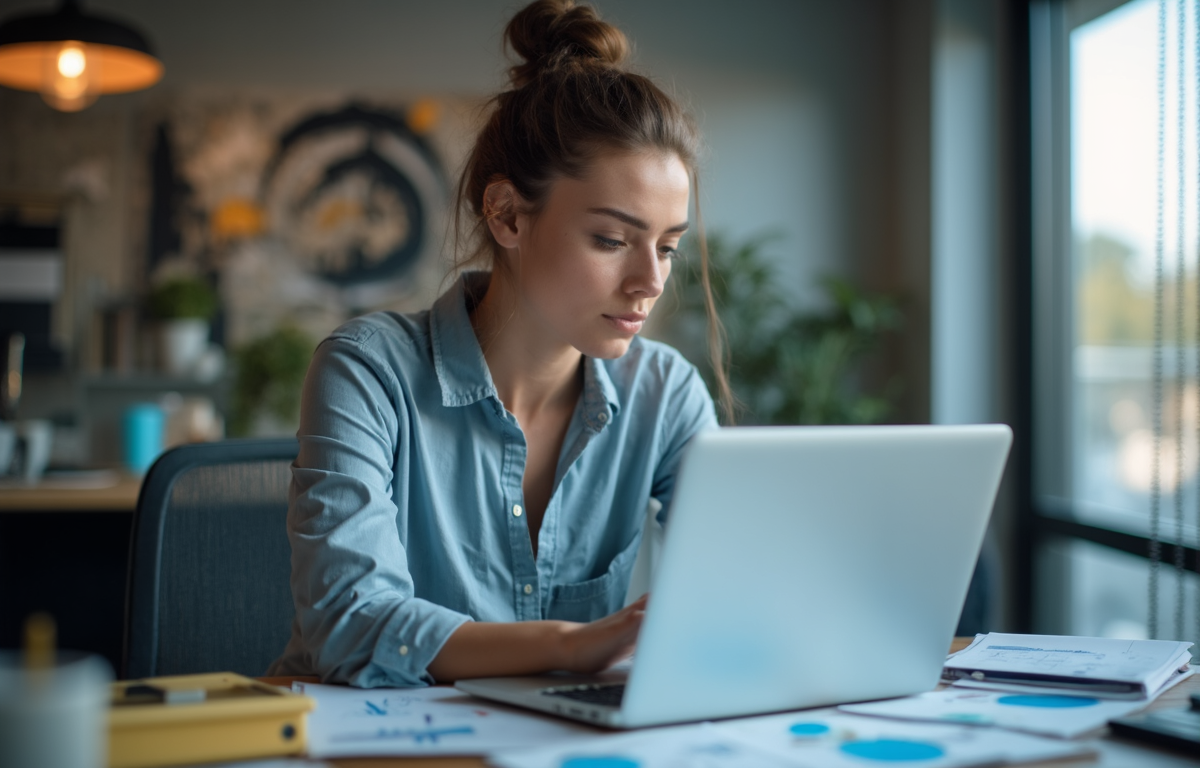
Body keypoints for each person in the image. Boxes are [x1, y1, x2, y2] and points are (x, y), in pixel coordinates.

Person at [269, 0, 733, 687]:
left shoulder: (665, 394)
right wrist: (569, 647)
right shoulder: (368, 372)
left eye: (666, 247)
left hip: (558, 737)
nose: (651, 282)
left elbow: (740, 588)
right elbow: (350, 624)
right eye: (612, 240)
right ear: (508, 214)